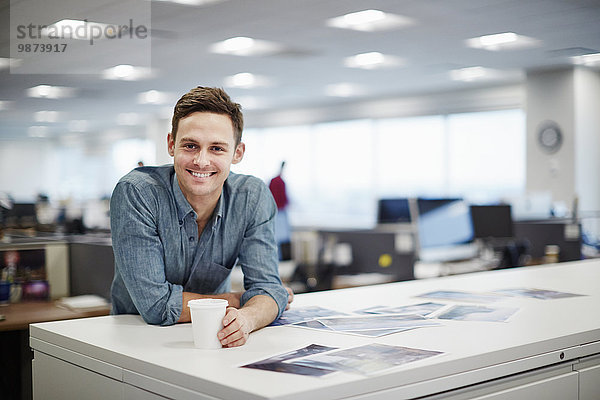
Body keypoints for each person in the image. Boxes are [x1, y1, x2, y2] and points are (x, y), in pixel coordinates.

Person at [110, 86, 293, 347]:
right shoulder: (137, 193)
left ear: (237, 153)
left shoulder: (251, 197)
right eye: (190, 145)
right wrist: (244, 299)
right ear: (171, 144)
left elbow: (268, 289)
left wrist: (247, 319)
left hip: (214, 335)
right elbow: (156, 305)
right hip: (136, 339)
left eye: (217, 148)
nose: (202, 161)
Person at [268, 161, 292, 260]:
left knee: (279, 236)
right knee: (278, 236)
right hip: (278, 212)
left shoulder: (276, 181)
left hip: (278, 211)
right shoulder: (278, 181)